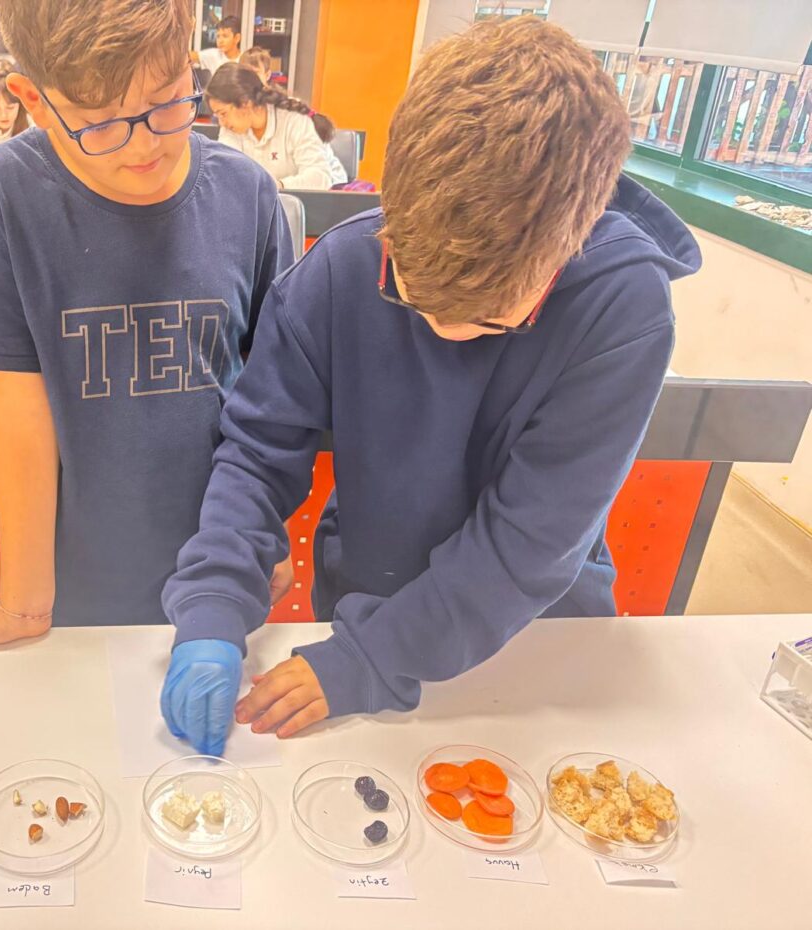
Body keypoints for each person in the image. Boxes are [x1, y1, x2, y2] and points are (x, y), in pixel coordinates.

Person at [159, 17, 701, 756]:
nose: (445, 331)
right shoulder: (344, 267)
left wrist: (371, 658)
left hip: (531, 642)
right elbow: (258, 452)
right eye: (411, 296)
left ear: (566, 248)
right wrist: (214, 601)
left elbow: (528, 543)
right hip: (367, 604)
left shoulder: (623, 306)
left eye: (492, 319)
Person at [0, 0, 294, 644]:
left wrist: (266, 529)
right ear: (34, 101)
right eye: (99, 124)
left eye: (166, 103)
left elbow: (271, 394)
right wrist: (27, 602)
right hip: (78, 586)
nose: (144, 144)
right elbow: (15, 404)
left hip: (221, 564)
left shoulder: (247, 194)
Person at [207, 62, 331, 190]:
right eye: (217, 116)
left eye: (223, 113)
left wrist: (279, 185)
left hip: (296, 201)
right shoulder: (229, 129)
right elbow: (225, 173)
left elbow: (320, 177)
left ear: (245, 103)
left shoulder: (293, 120)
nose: (221, 123)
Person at [238, 47, 349, 187]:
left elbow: (318, 176)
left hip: (331, 186)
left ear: (267, 75)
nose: (249, 80)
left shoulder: (290, 113)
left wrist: (279, 185)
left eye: (255, 73)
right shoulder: (237, 112)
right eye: (244, 74)